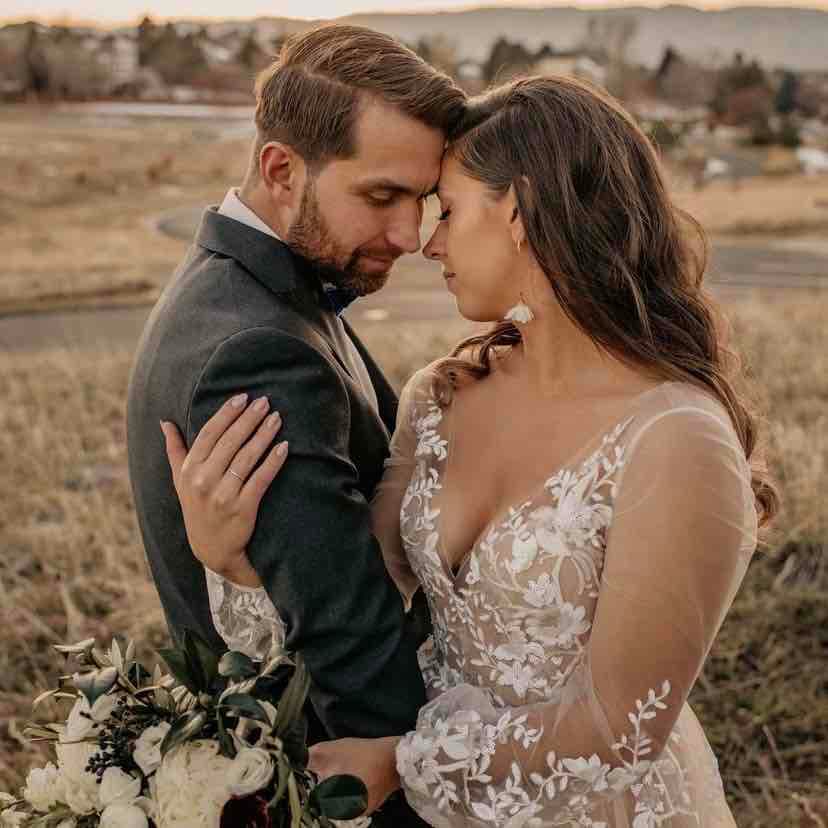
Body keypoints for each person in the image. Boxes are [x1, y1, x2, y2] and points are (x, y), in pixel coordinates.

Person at [163, 76, 778, 826]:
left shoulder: (678, 437)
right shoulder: (442, 394)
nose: (428, 241)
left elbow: (623, 728)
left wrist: (404, 762)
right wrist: (233, 562)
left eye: (448, 211)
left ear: (519, 212)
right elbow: (371, 592)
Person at [127, 23, 465, 827]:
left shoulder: (254, 285)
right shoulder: (258, 352)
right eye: (381, 196)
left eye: (422, 200)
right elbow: (352, 649)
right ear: (282, 170)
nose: (409, 235)